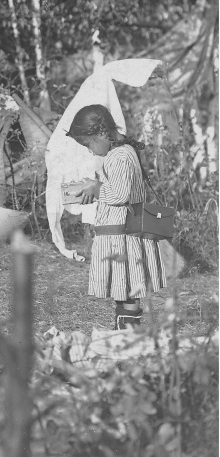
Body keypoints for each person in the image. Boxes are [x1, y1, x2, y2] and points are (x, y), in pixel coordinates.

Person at [66, 105, 166, 329]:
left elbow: (119, 195)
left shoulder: (120, 156)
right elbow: (118, 191)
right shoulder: (122, 152)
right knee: (125, 288)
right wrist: (94, 189)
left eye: (89, 144)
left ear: (102, 132)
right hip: (123, 232)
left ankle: (127, 332)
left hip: (122, 235)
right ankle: (124, 330)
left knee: (128, 288)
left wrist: (96, 188)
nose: (91, 151)